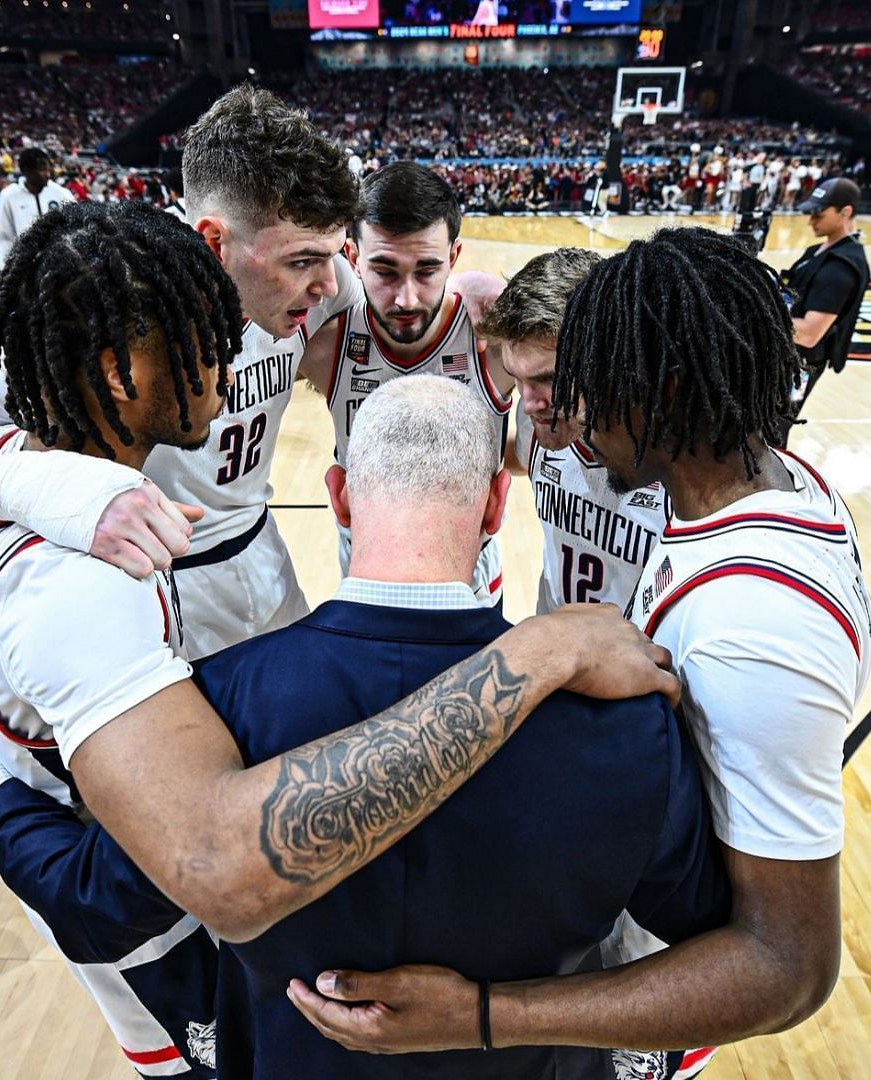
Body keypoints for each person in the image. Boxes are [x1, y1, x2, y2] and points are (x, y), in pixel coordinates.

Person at [0, 200, 682, 1078]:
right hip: (136, 923)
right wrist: (541, 650)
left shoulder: (24, 483)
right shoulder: (80, 585)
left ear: (339, 498)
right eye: (202, 336)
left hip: (147, 873)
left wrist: (26, 486)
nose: (229, 353)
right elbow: (174, 876)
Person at [296, 229, 869, 1068]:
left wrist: (482, 1015)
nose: (566, 416)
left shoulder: (757, 628)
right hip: (635, 831)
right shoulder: (738, 483)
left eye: (586, 380)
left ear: (660, 382)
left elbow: (786, 965)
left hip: (676, 923)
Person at [192, 375, 728, 1079]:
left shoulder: (213, 702)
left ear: (340, 496)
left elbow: (101, 906)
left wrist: (10, 791)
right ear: (497, 507)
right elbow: (722, 944)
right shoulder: (629, 725)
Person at [0, 85, 365, 659]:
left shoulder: (326, 291)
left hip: (267, 561)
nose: (328, 284)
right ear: (215, 241)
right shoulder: (99, 311)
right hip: (146, 589)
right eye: (303, 261)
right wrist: (32, 485)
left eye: (332, 255)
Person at [313, 161, 510, 597]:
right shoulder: (325, 345)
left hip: (471, 594)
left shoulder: (492, 340)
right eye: (384, 271)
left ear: (454, 257)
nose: (407, 298)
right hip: (366, 589)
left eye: (427, 271)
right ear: (352, 257)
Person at [480, 247, 667, 612]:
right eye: (517, 378)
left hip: (643, 663)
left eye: (548, 379)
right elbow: (523, 457)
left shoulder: (674, 463)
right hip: (559, 654)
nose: (528, 402)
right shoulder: (539, 425)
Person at [783, 177, 866, 412]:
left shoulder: (841, 267)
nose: (811, 221)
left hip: (800, 366)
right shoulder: (817, 250)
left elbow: (809, 333)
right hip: (785, 354)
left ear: (845, 212)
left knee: (776, 428)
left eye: (819, 214)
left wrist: (757, 317)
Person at [0, 146, 74, 271]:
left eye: (48, 169)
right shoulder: (9, 196)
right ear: (26, 171)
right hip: (29, 267)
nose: (48, 174)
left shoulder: (61, 193)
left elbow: (76, 227)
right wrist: (0, 266)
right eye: (42, 170)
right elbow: (5, 235)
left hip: (62, 264)